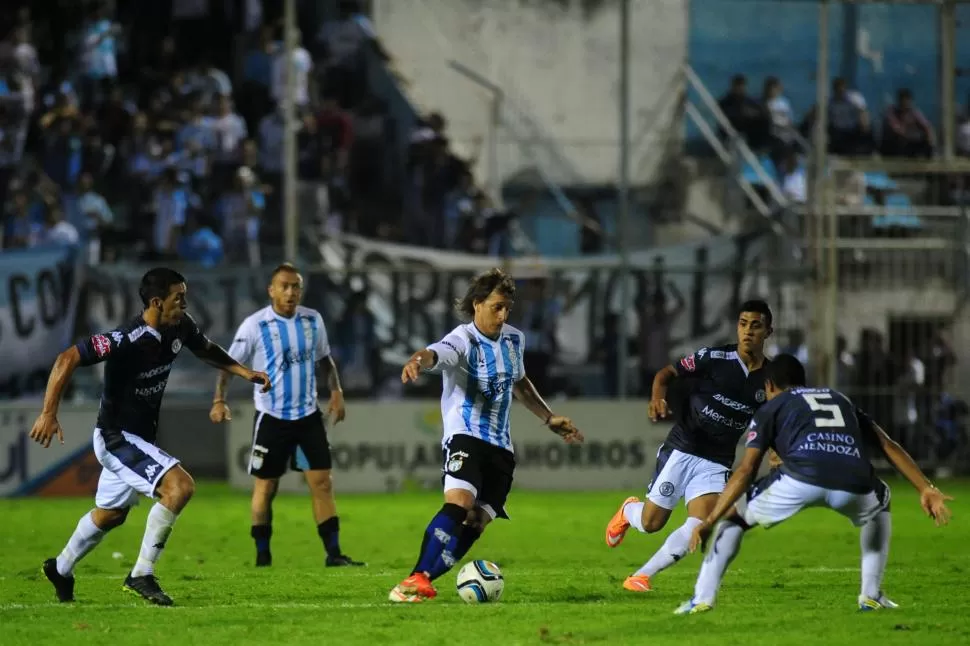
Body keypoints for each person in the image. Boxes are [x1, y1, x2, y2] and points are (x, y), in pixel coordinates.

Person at [33, 268, 271, 606]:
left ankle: (60, 567)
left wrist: (244, 372)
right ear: (157, 302)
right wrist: (48, 412)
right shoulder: (126, 339)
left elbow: (206, 348)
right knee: (180, 487)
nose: (185, 304)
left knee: (111, 514)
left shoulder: (180, 326)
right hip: (117, 437)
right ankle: (141, 574)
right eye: (179, 298)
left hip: (140, 439)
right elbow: (68, 357)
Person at [675, 354, 953, 614]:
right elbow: (887, 445)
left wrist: (710, 519)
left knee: (734, 520)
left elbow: (746, 469)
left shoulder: (771, 406)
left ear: (769, 385)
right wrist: (925, 487)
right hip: (854, 482)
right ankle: (871, 594)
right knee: (881, 500)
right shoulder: (840, 398)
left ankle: (702, 598)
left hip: (799, 479)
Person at [389, 268, 585, 603]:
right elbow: (434, 353)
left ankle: (420, 585)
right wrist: (416, 362)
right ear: (477, 303)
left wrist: (548, 416)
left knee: (477, 522)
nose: (503, 314)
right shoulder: (462, 340)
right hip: (465, 436)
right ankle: (416, 576)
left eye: (508, 307)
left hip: (501, 446)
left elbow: (520, 383)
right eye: (497, 306)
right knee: (460, 503)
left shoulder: (514, 339)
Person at [605, 300, 774, 592]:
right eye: (743, 323)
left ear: (768, 331)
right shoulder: (715, 357)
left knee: (700, 522)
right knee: (650, 523)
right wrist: (657, 397)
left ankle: (641, 576)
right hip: (683, 447)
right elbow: (665, 374)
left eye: (756, 325)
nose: (748, 331)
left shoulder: (771, 378)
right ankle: (629, 511)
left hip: (717, 459)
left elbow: (776, 416)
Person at [210, 263, 363, 568]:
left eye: (296, 286)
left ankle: (334, 553)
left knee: (322, 483)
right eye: (284, 286)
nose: (291, 292)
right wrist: (219, 400)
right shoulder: (255, 326)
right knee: (267, 487)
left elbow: (325, 360)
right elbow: (228, 364)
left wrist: (336, 392)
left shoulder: (312, 320)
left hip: (308, 417)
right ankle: (262, 555)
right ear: (271, 290)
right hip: (272, 418)